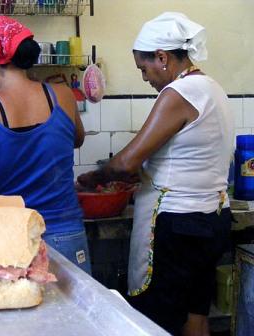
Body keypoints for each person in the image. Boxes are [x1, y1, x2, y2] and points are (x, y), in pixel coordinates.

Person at [78, 12, 234, 336]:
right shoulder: (212, 88)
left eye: (144, 68)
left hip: (178, 227)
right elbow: (186, 157)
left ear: (162, 57)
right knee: (196, 318)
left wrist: (92, 179)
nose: (145, 77)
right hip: (212, 219)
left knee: (155, 323)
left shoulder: (178, 93)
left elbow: (126, 162)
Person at [0, 16, 91, 274]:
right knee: (81, 313)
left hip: (10, 241)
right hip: (66, 234)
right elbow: (76, 139)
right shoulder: (62, 95)